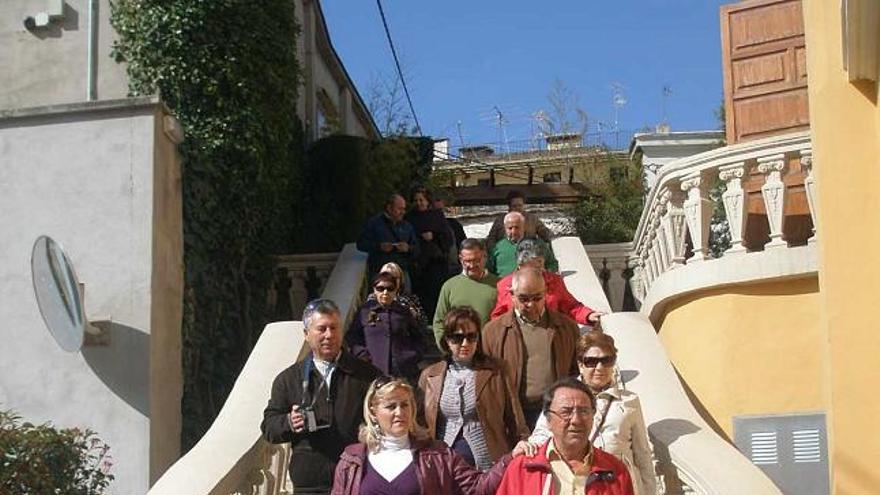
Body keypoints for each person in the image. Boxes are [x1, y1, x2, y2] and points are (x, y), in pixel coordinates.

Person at [262, 299, 382, 494]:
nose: (329, 335)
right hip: (310, 483)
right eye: (322, 329)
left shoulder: (367, 375)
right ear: (306, 334)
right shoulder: (288, 379)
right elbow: (269, 427)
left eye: (334, 328)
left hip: (357, 477)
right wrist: (289, 422)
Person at [330, 376, 527, 495]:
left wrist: (509, 460)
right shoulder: (351, 462)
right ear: (373, 411)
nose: (400, 412)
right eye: (391, 406)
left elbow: (478, 488)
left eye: (405, 405)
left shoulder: (438, 455)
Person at [527, 332, 655, 495]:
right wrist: (528, 447)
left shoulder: (630, 401)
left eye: (606, 361)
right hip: (579, 480)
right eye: (592, 362)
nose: (599, 368)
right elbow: (542, 433)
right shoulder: (564, 395)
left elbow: (642, 453)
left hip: (617, 483)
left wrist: (650, 490)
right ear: (580, 364)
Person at [420, 306, 529, 470]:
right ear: (447, 340)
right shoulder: (430, 376)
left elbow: (514, 415)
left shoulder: (496, 371)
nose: (465, 344)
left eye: (472, 337)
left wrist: (522, 443)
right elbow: (420, 424)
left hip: (487, 464)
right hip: (444, 465)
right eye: (457, 338)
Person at [496, 378, 635, 495]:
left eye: (584, 411)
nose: (576, 420)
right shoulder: (522, 469)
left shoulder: (616, 471)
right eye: (566, 412)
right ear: (548, 420)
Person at [481, 268, 579, 428]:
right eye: (523, 298)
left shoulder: (566, 328)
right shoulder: (493, 332)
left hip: (555, 412)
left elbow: (576, 372)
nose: (530, 304)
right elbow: (486, 381)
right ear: (511, 296)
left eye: (537, 298)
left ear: (546, 293)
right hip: (512, 416)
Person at [491, 238, 605, 325]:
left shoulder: (554, 281)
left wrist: (588, 315)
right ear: (520, 265)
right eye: (534, 265)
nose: (540, 268)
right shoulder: (505, 285)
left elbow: (571, 307)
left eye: (541, 262)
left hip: (550, 337)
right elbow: (497, 317)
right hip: (517, 340)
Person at [345, 273, 426, 384]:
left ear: (395, 290)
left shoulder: (403, 312)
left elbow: (418, 337)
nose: (385, 293)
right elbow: (352, 337)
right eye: (380, 288)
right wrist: (362, 354)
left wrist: (412, 355)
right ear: (374, 290)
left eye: (390, 289)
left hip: (402, 370)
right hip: (373, 368)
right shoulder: (364, 311)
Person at [432, 239, 498, 347]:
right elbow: (439, 322)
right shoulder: (449, 286)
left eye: (477, 260)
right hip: (459, 352)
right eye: (468, 261)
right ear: (461, 259)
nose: (472, 265)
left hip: (490, 350)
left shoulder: (499, 285)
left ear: (485, 257)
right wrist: (445, 347)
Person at [404, 187, 453, 319]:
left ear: (427, 201)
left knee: (437, 294)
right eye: (416, 200)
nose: (419, 203)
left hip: (436, 262)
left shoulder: (436, 215)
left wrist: (434, 235)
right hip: (418, 264)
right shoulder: (409, 218)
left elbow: (448, 238)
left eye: (421, 200)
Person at [357, 193, 420, 282]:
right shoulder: (374, 223)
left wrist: (408, 248)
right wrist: (379, 247)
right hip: (380, 273)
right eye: (399, 209)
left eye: (404, 209)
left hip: (402, 272)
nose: (403, 212)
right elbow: (361, 244)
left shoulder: (407, 226)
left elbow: (417, 248)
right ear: (389, 208)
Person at [488, 212, 558, 277]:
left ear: (523, 227)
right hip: (506, 288)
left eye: (517, 227)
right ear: (505, 228)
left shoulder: (538, 244)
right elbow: (490, 270)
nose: (514, 231)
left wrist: (544, 274)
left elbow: (553, 265)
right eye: (510, 228)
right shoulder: (497, 247)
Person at [486, 190, 553, 253]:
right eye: (514, 206)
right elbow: (491, 239)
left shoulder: (533, 219)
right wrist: (495, 252)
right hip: (506, 254)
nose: (518, 208)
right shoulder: (500, 220)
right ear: (509, 206)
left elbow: (546, 235)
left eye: (520, 205)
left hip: (528, 255)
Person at [374, 262, 428, 329]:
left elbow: (423, 323)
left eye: (394, 278)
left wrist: (414, 316)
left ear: (400, 279)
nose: (390, 281)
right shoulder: (373, 298)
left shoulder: (411, 300)